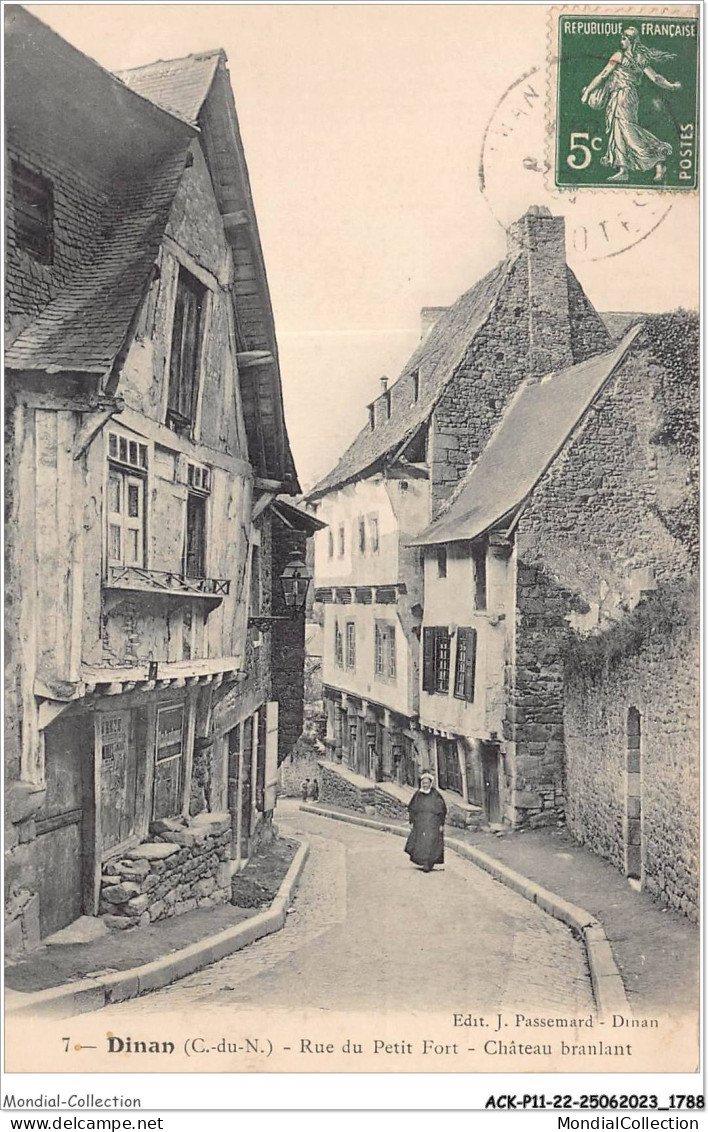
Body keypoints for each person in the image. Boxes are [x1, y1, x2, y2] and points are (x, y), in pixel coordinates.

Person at [581, 27, 681, 183]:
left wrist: (588, 92)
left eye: (624, 38)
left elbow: (603, 74)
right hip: (626, 97)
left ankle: (659, 156)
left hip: (622, 96)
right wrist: (671, 86)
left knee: (627, 131)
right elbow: (656, 78)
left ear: (631, 40)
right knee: (619, 131)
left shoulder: (619, 56)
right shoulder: (640, 58)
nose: (621, 41)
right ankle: (623, 169)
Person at [404, 771, 447, 872]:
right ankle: (423, 862)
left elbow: (442, 809)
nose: (425, 785)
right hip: (420, 823)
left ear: (430, 784)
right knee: (421, 843)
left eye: (427, 783)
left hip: (433, 824)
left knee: (432, 843)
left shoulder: (436, 795)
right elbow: (412, 809)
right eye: (423, 783)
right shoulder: (417, 795)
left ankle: (429, 862)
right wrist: (411, 822)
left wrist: (441, 823)